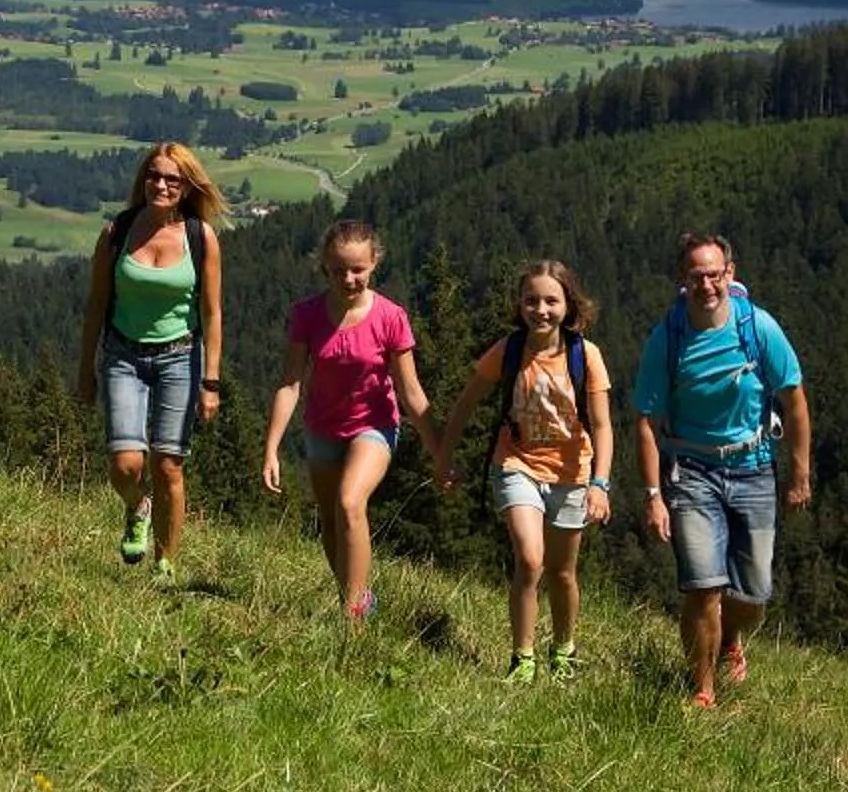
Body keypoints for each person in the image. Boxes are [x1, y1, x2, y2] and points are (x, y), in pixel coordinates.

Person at [635, 233, 811, 708]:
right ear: (682, 280)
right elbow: (646, 421)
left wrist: (800, 474)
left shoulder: (759, 328)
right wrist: (653, 494)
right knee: (702, 586)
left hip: (754, 468)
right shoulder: (668, 337)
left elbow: (793, 399)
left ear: (730, 274)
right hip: (691, 472)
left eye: (714, 275)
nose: (707, 285)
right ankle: (703, 688)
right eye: (696, 276)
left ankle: (731, 637)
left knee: (753, 595)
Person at [438, 259, 616, 681]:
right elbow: (466, 404)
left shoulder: (585, 355)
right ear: (519, 304)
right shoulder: (509, 350)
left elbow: (604, 425)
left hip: (573, 474)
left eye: (551, 301)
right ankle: (523, 657)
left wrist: (600, 484)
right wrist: (444, 455)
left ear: (568, 305)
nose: (541, 310)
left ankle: (564, 649)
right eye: (531, 300)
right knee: (531, 560)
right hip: (516, 464)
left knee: (562, 572)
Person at [262, 219, 445, 622]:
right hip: (322, 429)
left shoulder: (390, 317)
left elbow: (411, 393)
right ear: (324, 267)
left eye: (357, 269)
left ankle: (354, 615)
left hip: (374, 426)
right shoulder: (307, 315)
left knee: (349, 502)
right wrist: (271, 448)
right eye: (338, 269)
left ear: (374, 263)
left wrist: (439, 453)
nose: (348, 278)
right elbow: (290, 383)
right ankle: (355, 593)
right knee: (329, 522)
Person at [75, 143, 226, 582]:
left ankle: (166, 562)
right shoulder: (117, 232)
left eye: (172, 179)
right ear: (144, 179)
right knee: (126, 465)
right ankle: (137, 506)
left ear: (186, 187)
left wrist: (211, 381)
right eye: (154, 176)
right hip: (123, 355)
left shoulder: (200, 237)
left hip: (181, 357)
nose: (161, 185)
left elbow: (212, 313)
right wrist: (86, 369)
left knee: (168, 465)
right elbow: (96, 303)